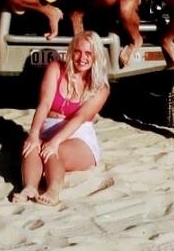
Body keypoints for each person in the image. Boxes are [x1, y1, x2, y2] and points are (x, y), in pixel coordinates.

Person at [11, 31, 110, 206]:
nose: (82, 58)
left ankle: (53, 190)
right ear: (71, 51)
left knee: (54, 151)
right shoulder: (56, 68)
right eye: (78, 51)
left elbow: (80, 118)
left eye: (88, 53)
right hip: (49, 129)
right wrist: (33, 134)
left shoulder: (101, 88)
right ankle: (30, 187)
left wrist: (55, 142)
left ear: (96, 56)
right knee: (32, 147)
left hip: (78, 134)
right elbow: (44, 103)